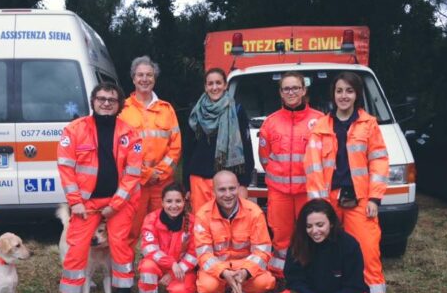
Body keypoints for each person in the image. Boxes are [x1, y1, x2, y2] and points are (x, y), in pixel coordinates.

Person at [304, 72, 401, 293]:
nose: (344, 96)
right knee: (324, 250)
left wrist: (375, 198)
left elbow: (379, 161)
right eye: (339, 91)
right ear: (333, 95)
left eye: (349, 91)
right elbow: (313, 168)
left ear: (357, 94)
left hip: (359, 200)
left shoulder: (369, 125)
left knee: (368, 252)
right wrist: (318, 207)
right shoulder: (321, 127)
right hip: (329, 202)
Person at [56, 82, 142, 293]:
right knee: (76, 249)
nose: (106, 103)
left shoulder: (131, 134)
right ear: (93, 101)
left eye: (111, 100)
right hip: (85, 203)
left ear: (119, 105)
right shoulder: (75, 130)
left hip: (119, 202)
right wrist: (75, 203)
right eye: (101, 99)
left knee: (121, 248)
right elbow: (65, 167)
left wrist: (115, 205)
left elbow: (132, 174)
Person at [274, 199, 385, 293]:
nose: (314, 231)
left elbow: (354, 285)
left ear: (331, 223)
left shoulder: (349, 244)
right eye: (309, 226)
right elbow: (294, 279)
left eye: (320, 225)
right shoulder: (298, 243)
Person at [259, 72, 323, 278]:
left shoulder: (320, 121)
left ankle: (312, 275)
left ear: (304, 90)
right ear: (280, 93)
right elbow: (265, 158)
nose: (291, 92)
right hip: (279, 193)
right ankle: (280, 276)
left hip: (308, 192)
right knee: (281, 237)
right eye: (286, 88)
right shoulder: (270, 122)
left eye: (296, 88)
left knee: (311, 233)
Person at [193, 170, 275, 293]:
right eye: (222, 189)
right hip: (217, 268)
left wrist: (245, 272)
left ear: (238, 188)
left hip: (244, 268)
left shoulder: (254, 212)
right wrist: (223, 272)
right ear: (213, 190)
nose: (228, 194)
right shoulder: (203, 215)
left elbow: (262, 251)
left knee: (266, 281)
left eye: (232, 188)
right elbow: (204, 254)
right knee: (207, 285)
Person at [119, 56, 181, 248]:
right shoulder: (122, 109)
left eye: (149, 75)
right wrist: (145, 173)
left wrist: (159, 172)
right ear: (133, 78)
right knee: (129, 230)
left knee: (164, 228)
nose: (144, 79)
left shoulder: (166, 109)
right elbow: (120, 147)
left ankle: (162, 271)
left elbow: (176, 146)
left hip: (161, 184)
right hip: (133, 182)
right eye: (140, 75)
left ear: (154, 78)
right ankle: (125, 274)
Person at [183, 67, 254, 214]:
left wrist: (244, 184)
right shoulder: (195, 111)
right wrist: (186, 186)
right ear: (205, 86)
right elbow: (188, 150)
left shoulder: (237, 110)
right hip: (199, 179)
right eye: (210, 84)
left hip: (226, 181)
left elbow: (246, 148)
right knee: (201, 222)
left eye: (218, 83)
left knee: (228, 223)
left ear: (225, 85)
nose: (214, 87)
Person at [137, 182, 198, 293]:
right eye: (169, 201)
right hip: (159, 264)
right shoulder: (151, 219)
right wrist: (170, 263)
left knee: (181, 292)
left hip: (181, 269)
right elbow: (148, 248)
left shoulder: (193, 222)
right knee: (147, 267)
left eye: (178, 201)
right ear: (162, 202)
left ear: (184, 202)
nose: (174, 205)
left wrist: (172, 273)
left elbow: (194, 254)